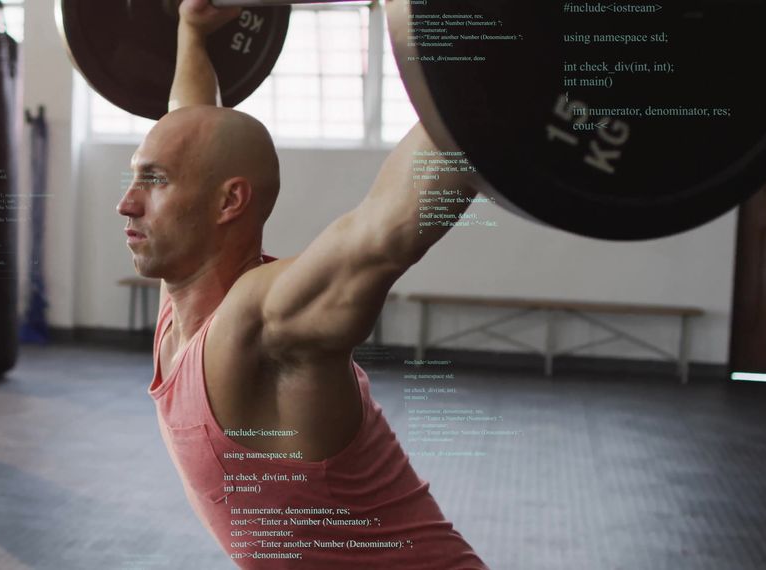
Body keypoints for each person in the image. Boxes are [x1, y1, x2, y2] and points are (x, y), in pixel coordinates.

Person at [116, 1, 489, 567]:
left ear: (229, 203)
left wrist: (494, 66)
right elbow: (191, 123)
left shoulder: (262, 320)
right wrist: (191, 31)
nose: (127, 203)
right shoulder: (184, 293)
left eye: (152, 181)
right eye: (135, 176)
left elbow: (381, 236)